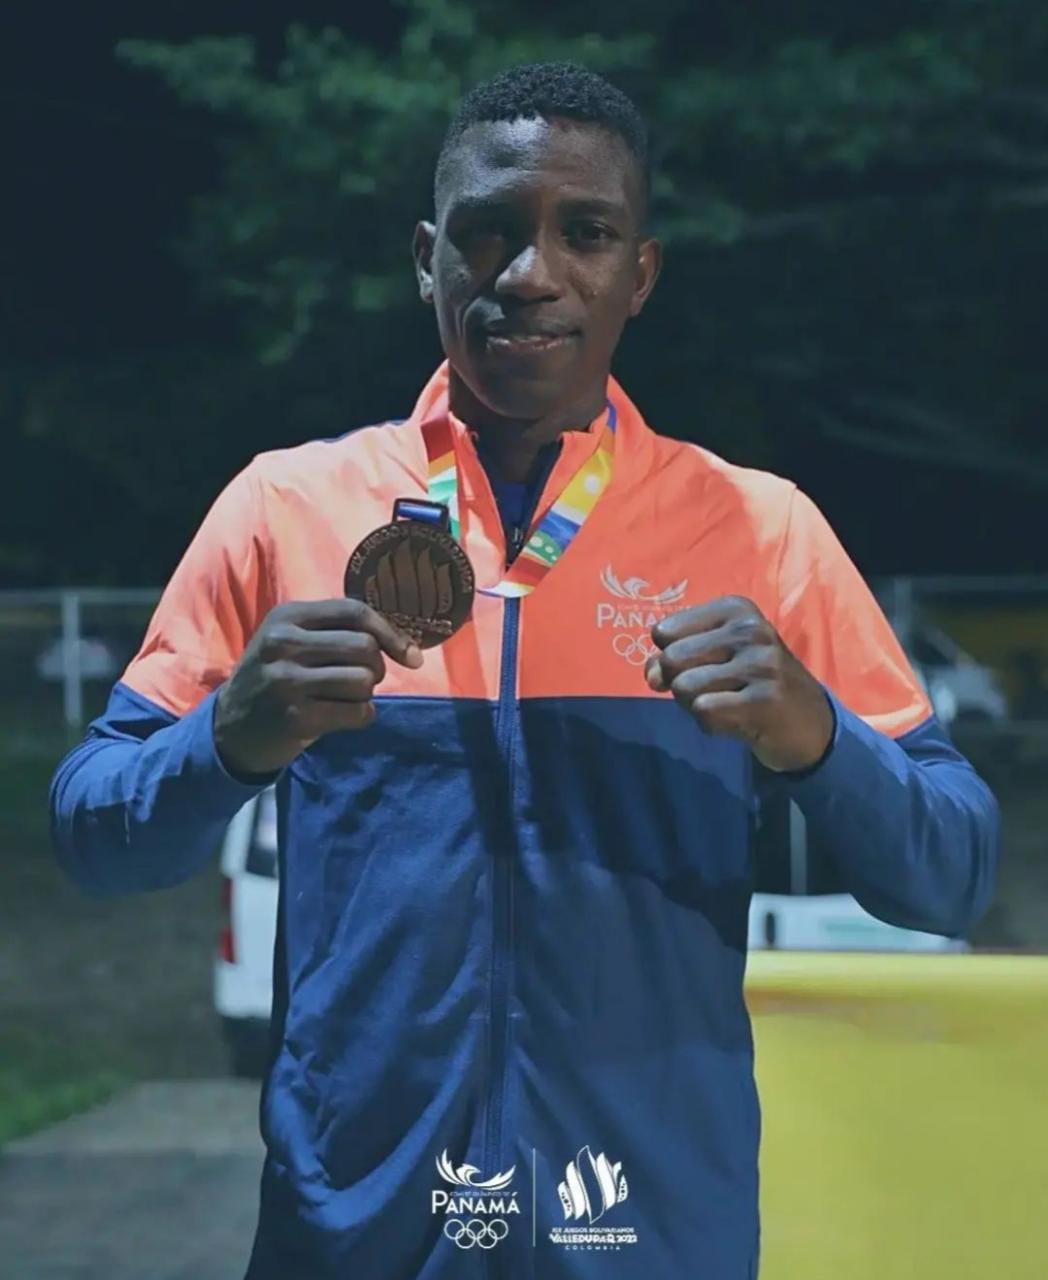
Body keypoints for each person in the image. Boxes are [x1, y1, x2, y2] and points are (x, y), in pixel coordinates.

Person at [49, 61, 1000, 1280]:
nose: (530, 273)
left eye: (584, 233)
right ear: (427, 258)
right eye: (489, 230)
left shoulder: (759, 529)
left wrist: (815, 735)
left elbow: (950, 874)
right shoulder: (283, 507)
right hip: (356, 1234)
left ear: (638, 274)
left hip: (645, 1235)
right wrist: (224, 738)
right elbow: (96, 834)